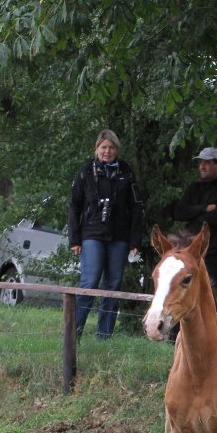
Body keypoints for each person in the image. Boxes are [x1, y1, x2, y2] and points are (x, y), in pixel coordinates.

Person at [67, 129, 143, 340]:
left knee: (113, 287)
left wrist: (135, 240)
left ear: (116, 149)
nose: (107, 151)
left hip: (119, 237)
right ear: (96, 149)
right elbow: (74, 205)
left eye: (111, 148)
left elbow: (136, 207)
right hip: (92, 233)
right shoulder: (85, 172)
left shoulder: (126, 172)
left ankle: (104, 338)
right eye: (103, 147)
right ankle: (73, 335)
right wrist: (74, 239)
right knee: (89, 283)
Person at [173, 146, 217, 299]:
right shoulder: (194, 188)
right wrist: (204, 208)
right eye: (200, 163)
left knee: (207, 297)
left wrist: (193, 215)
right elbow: (178, 212)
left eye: (207, 163)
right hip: (189, 252)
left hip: (214, 253)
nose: (202, 166)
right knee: (182, 295)